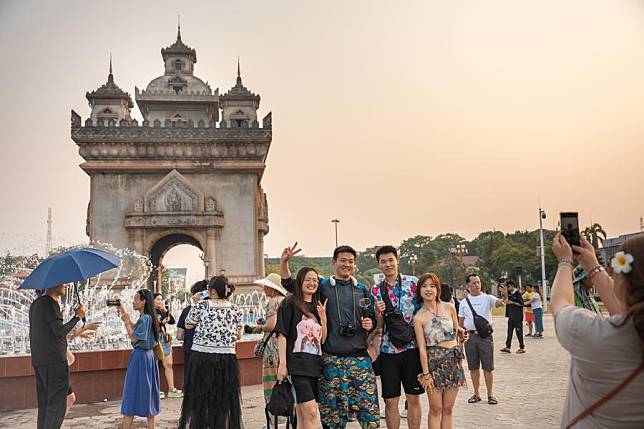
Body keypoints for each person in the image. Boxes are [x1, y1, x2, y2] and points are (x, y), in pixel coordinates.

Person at [281, 243, 379, 429]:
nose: (347, 264)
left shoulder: (362, 289)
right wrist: (284, 263)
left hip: (359, 359)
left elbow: (371, 317)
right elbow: (291, 284)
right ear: (334, 262)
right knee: (332, 418)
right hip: (330, 361)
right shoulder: (322, 286)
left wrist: (370, 323)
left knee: (370, 416)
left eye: (351, 261)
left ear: (355, 265)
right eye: (343, 260)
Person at [552, 233, 644, 428]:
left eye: (617, 267)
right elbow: (624, 309)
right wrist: (592, 265)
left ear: (622, 280)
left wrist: (565, 262)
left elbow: (560, 302)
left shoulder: (594, 335)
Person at [179, 275, 244, 429]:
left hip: (201, 356)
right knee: (223, 400)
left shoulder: (202, 305)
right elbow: (239, 335)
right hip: (227, 358)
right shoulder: (235, 309)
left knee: (200, 399)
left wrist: (196, 303)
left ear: (212, 291)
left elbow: (188, 325)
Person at [370, 245, 423, 429]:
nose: (388, 264)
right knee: (390, 401)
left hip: (412, 349)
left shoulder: (414, 283)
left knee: (413, 398)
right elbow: (378, 326)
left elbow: (428, 310)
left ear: (398, 260)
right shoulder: (375, 291)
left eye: (391, 260)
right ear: (378, 265)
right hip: (388, 351)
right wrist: (377, 314)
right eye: (383, 261)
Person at [414, 272, 467, 429]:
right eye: (424, 286)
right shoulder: (419, 317)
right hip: (434, 364)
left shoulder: (449, 307)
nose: (428, 289)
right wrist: (426, 374)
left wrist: (462, 336)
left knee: (448, 408)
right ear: (419, 291)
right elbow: (422, 349)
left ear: (437, 289)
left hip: (453, 362)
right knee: (436, 408)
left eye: (432, 286)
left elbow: (456, 332)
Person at [275, 267, 327, 428]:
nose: (312, 283)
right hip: (297, 366)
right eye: (308, 280)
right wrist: (282, 364)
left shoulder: (318, 305)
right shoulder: (290, 303)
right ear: (300, 282)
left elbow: (322, 340)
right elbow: (282, 335)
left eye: (315, 280)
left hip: (315, 366)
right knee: (311, 412)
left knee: (303, 416)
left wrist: (323, 318)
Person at [29, 284, 86, 429]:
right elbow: (59, 331)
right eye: (63, 282)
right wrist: (77, 317)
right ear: (53, 284)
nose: (66, 286)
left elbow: (49, 334)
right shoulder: (50, 304)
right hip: (54, 362)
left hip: (41, 361)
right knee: (56, 407)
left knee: (46, 406)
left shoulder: (36, 303)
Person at [457, 274, 507, 405]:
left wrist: (504, 297)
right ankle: (476, 393)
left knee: (488, 367)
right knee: (473, 367)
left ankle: (490, 394)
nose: (477, 285)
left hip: (485, 337)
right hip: (470, 337)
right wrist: (460, 339)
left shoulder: (488, 298)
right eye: (473, 283)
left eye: (478, 282)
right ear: (468, 285)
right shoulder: (463, 302)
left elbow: (500, 303)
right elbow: (460, 322)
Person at [118, 289, 161, 429]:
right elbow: (136, 327)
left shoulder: (145, 318)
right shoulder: (148, 317)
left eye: (136, 299)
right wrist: (124, 312)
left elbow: (134, 339)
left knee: (131, 392)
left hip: (140, 358)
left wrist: (126, 323)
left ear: (143, 301)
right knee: (149, 394)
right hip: (148, 358)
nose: (134, 301)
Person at [253, 273, 288, 406]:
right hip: (285, 345)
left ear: (273, 288)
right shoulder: (286, 301)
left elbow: (272, 325)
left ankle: (273, 418)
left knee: (271, 381)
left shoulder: (273, 301)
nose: (264, 289)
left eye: (266, 286)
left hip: (273, 346)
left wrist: (260, 327)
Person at [176, 280, 208, 387]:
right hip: (209, 352)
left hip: (190, 351)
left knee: (192, 382)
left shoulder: (187, 311)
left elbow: (179, 336)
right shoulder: (213, 310)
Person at [153, 293, 182, 398]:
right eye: (157, 299)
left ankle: (171, 388)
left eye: (161, 299)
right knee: (154, 365)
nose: (160, 301)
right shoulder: (149, 312)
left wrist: (165, 310)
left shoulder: (162, 311)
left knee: (169, 364)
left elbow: (172, 321)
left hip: (164, 339)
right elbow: (152, 325)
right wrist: (161, 323)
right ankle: (155, 390)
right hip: (154, 339)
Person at [500, 280, 525, 354]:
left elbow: (521, 304)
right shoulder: (508, 293)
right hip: (511, 316)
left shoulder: (517, 293)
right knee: (509, 332)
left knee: (519, 332)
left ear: (512, 286)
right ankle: (508, 347)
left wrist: (513, 303)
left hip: (517, 316)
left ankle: (521, 347)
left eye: (508, 286)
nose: (507, 288)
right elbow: (504, 300)